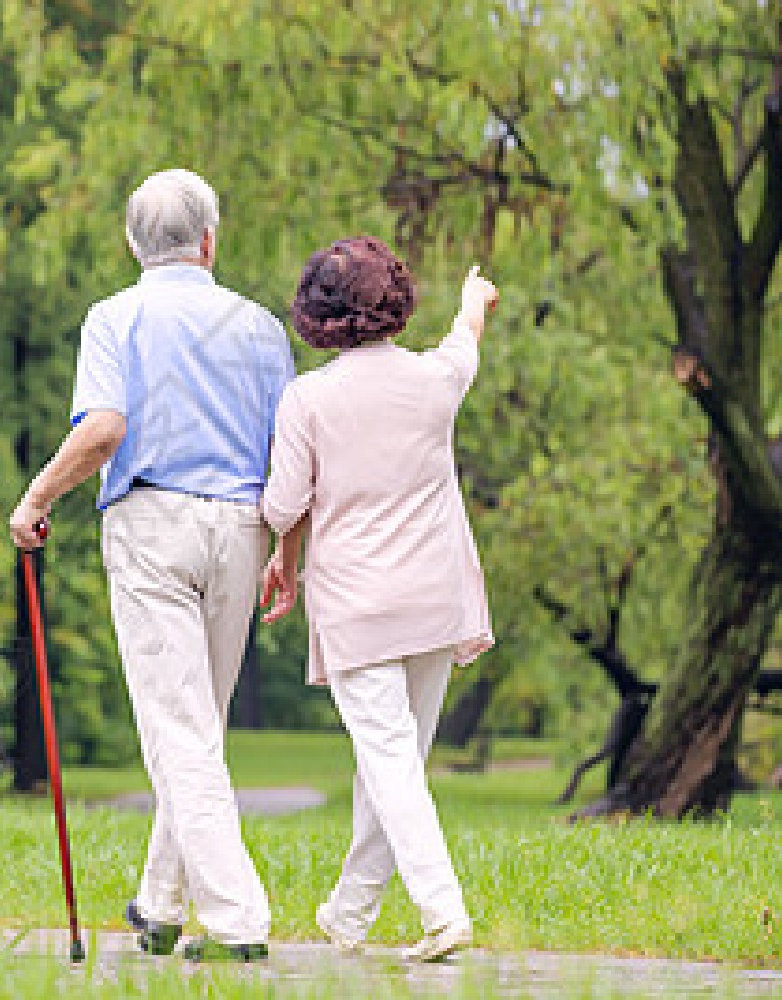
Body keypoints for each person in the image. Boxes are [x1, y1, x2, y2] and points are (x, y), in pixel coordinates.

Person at [9, 168, 295, 962]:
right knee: (197, 727)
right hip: (242, 529)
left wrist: (36, 497)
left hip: (152, 523)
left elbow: (104, 429)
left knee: (180, 731)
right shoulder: (263, 328)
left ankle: (237, 920)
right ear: (210, 240)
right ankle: (162, 905)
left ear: (134, 244)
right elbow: (289, 455)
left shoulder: (115, 317)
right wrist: (287, 552)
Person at [258, 236, 498, 962]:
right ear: (393, 301)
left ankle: (442, 909)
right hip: (435, 598)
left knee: (390, 761)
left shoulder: (308, 400)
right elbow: (466, 340)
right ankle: (351, 912)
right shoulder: (434, 381)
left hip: (360, 605)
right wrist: (471, 299)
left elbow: (280, 505)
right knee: (394, 763)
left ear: (316, 313)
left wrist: (283, 547)